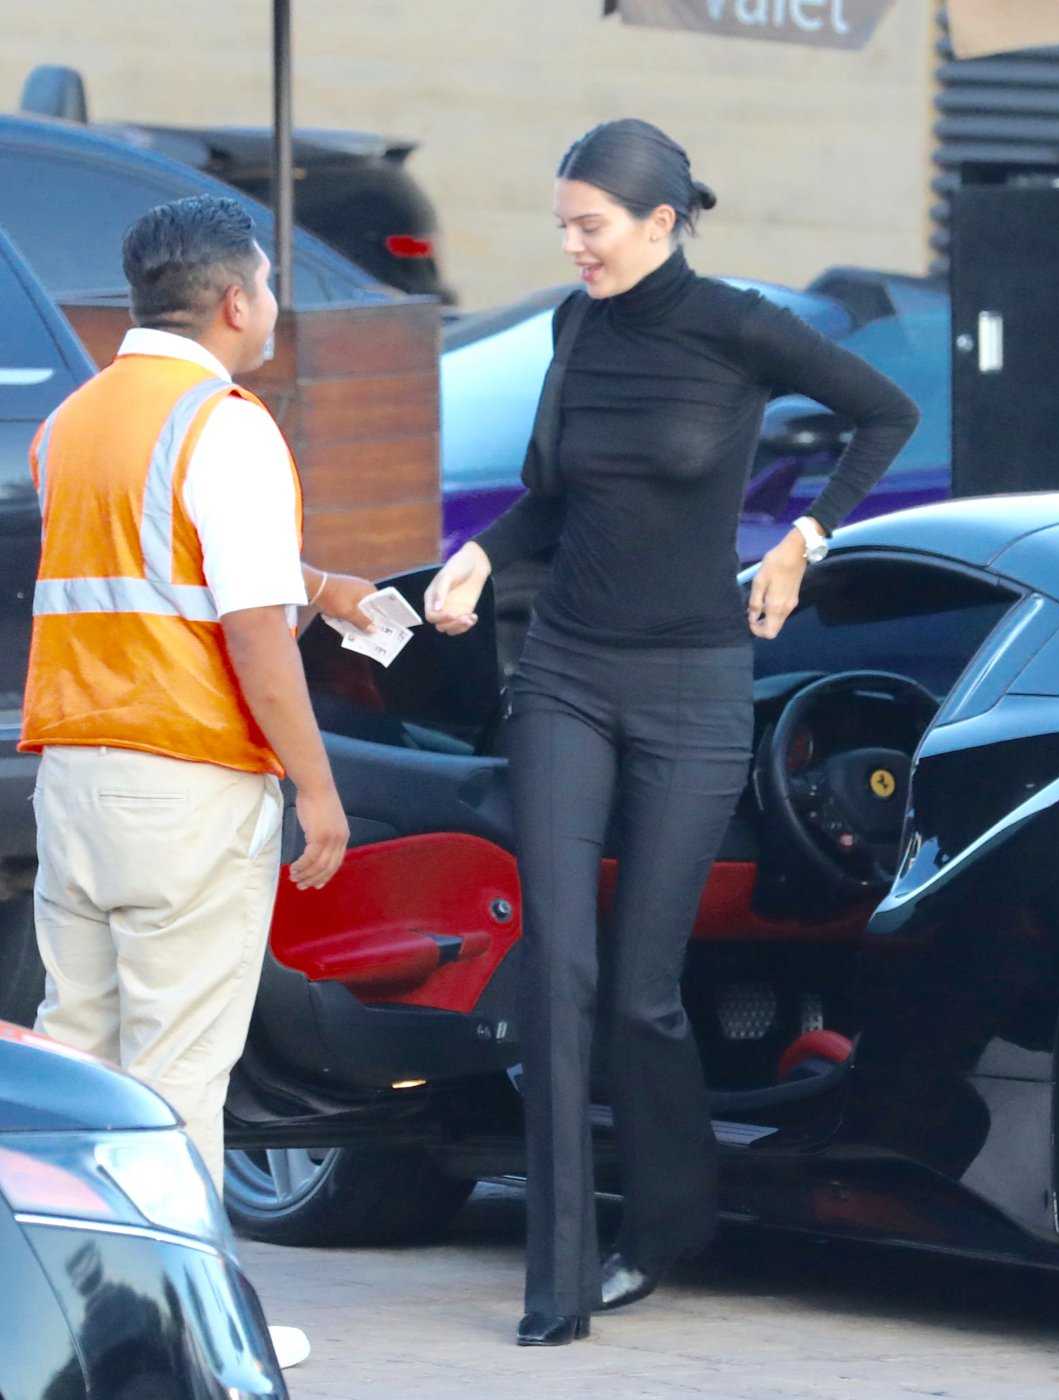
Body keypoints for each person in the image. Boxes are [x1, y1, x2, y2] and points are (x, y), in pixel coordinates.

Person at [424, 119, 920, 1347]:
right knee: (561, 966)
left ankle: (665, 1224)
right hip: (565, 671)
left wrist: (805, 537)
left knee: (643, 990)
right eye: (563, 226)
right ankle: (558, 1280)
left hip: (696, 686)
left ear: (660, 222)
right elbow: (549, 497)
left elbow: (885, 412)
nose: (572, 246)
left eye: (589, 225)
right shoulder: (575, 325)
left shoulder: (741, 327)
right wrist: (480, 553)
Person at [21, 192, 371, 1297]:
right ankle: (182, 1327)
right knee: (178, 1077)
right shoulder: (226, 423)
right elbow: (251, 627)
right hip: (188, 780)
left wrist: (325, 585)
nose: (271, 303)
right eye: (267, 284)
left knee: (76, 1062)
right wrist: (317, 787)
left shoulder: (72, 422)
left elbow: (163, 560)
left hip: (75, 777)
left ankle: (67, 1312)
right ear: (233, 300)